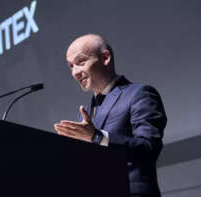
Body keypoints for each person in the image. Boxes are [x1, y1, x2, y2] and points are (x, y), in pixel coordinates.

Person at [54, 34, 167, 197]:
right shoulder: (84, 114)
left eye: (80, 62)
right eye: (71, 66)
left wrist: (99, 137)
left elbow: (148, 148)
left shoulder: (139, 94)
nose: (75, 72)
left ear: (105, 57)